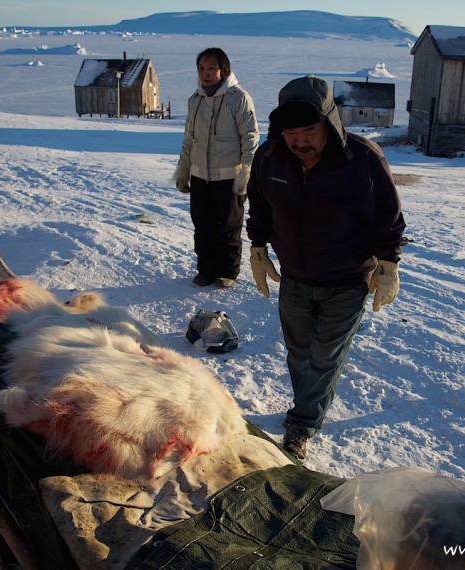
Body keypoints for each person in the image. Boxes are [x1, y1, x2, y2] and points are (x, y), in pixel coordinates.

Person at [246, 75, 406, 461]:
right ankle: (308, 406)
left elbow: (388, 215)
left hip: (347, 281)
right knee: (299, 353)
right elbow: (260, 205)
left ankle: (302, 424)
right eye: (291, 132)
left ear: (329, 124)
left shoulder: (363, 159)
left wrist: (388, 263)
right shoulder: (270, 156)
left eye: (309, 130)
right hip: (295, 278)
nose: (300, 141)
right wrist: (257, 247)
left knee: (325, 356)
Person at [173, 48, 259, 288]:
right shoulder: (195, 100)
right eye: (201, 68)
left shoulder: (238, 98)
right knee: (203, 226)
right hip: (200, 175)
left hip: (229, 176)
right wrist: (183, 170)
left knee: (228, 227)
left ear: (224, 70)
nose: (205, 73)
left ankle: (227, 271)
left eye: (212, 68)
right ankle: (206, 270)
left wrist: (246, 172)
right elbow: (189, 139)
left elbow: (250, 137)